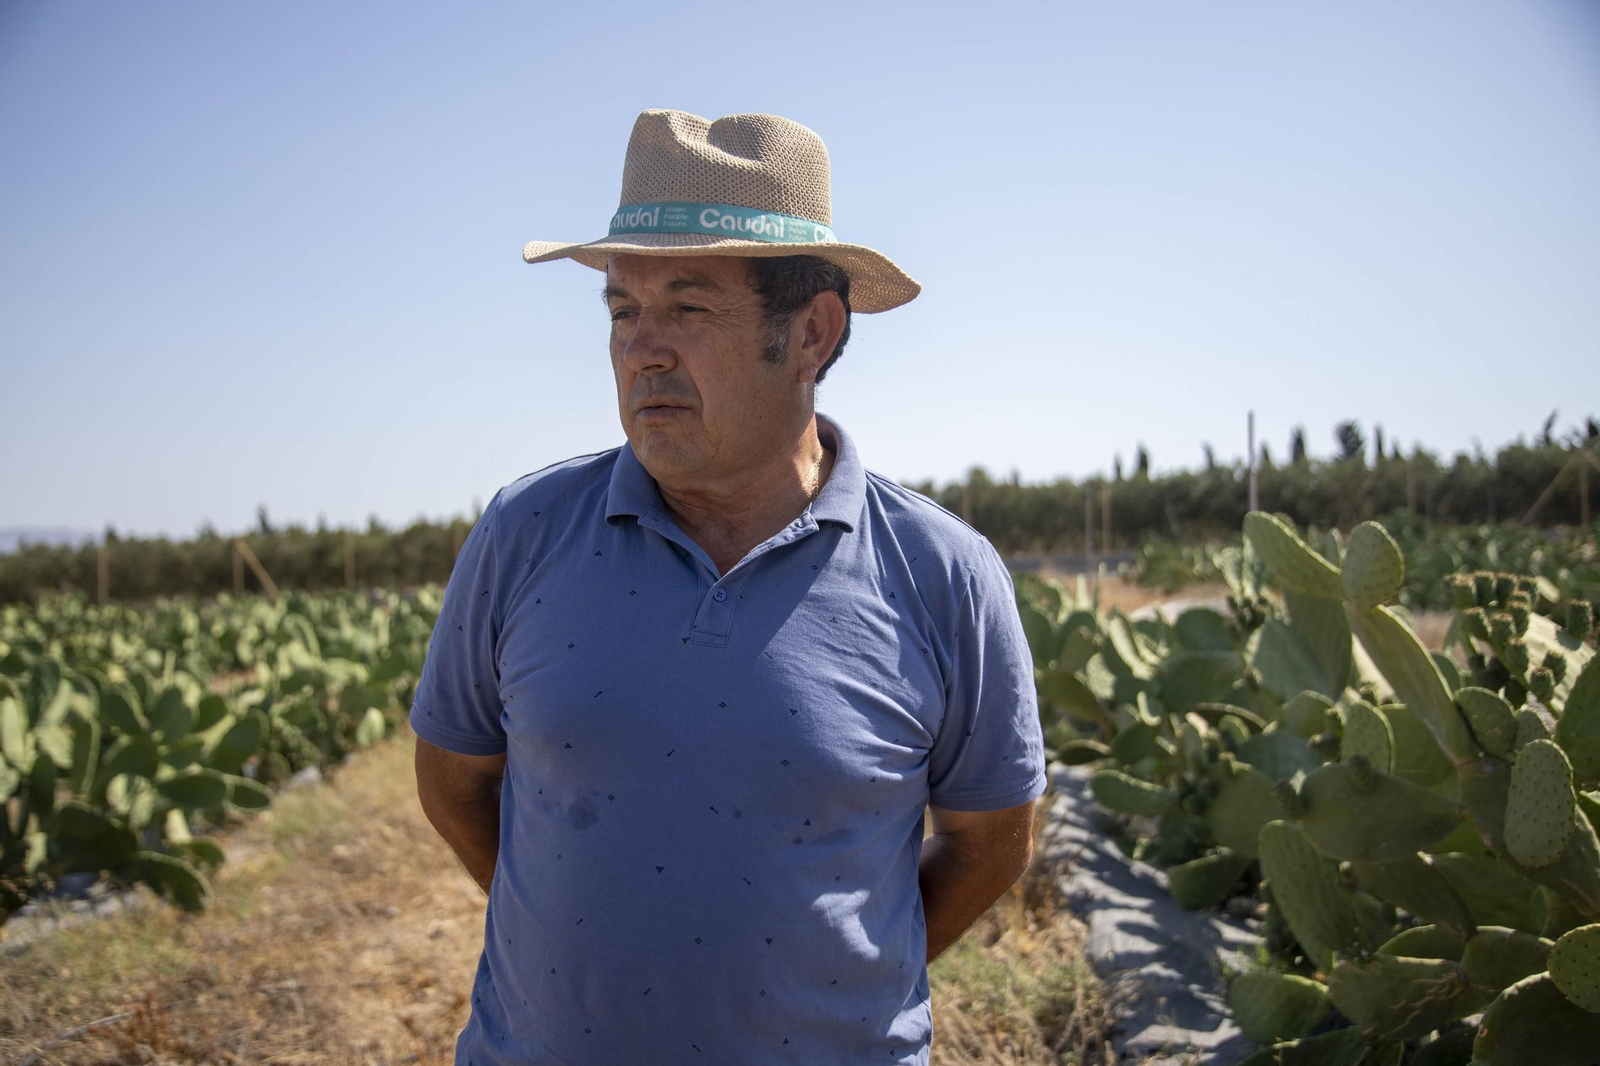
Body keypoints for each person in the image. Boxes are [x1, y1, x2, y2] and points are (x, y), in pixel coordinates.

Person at [410, 109, 1047, 1066]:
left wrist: (839, 989)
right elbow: (455, 780)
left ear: (814, 334)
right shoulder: (524, 532)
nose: (642, 350)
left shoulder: (944, 574)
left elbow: (992, 842)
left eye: (689, 307)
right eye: (624, 311)